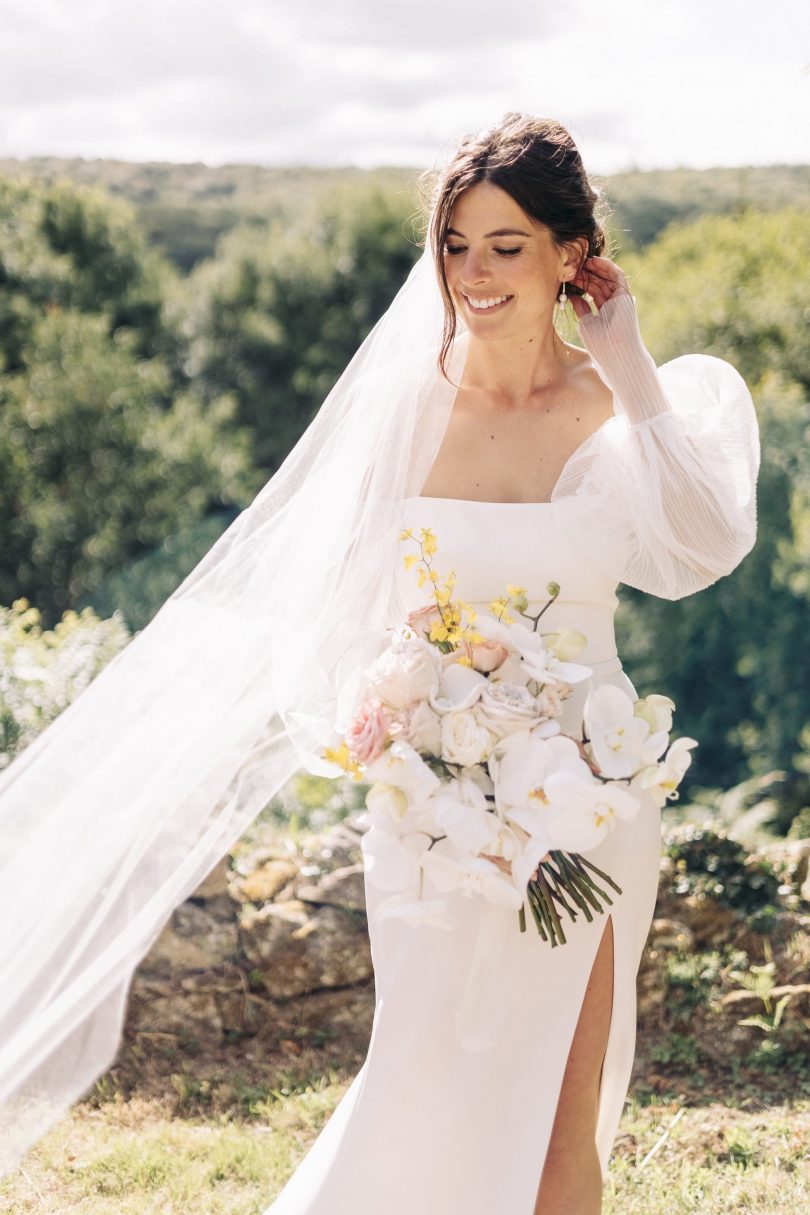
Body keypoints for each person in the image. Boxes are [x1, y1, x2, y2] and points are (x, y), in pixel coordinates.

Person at [0, 113, 759, 1215]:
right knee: (426, 1099)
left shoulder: (618, 411)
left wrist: (631, 360)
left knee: (563, 1117)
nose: (477, 274)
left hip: (590, 809)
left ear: (570, 253)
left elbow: (702, 543)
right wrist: (404, 721)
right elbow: (335, 605)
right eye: (457, 245)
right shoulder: (403, 410)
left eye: (507, 245)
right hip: (431, 811)